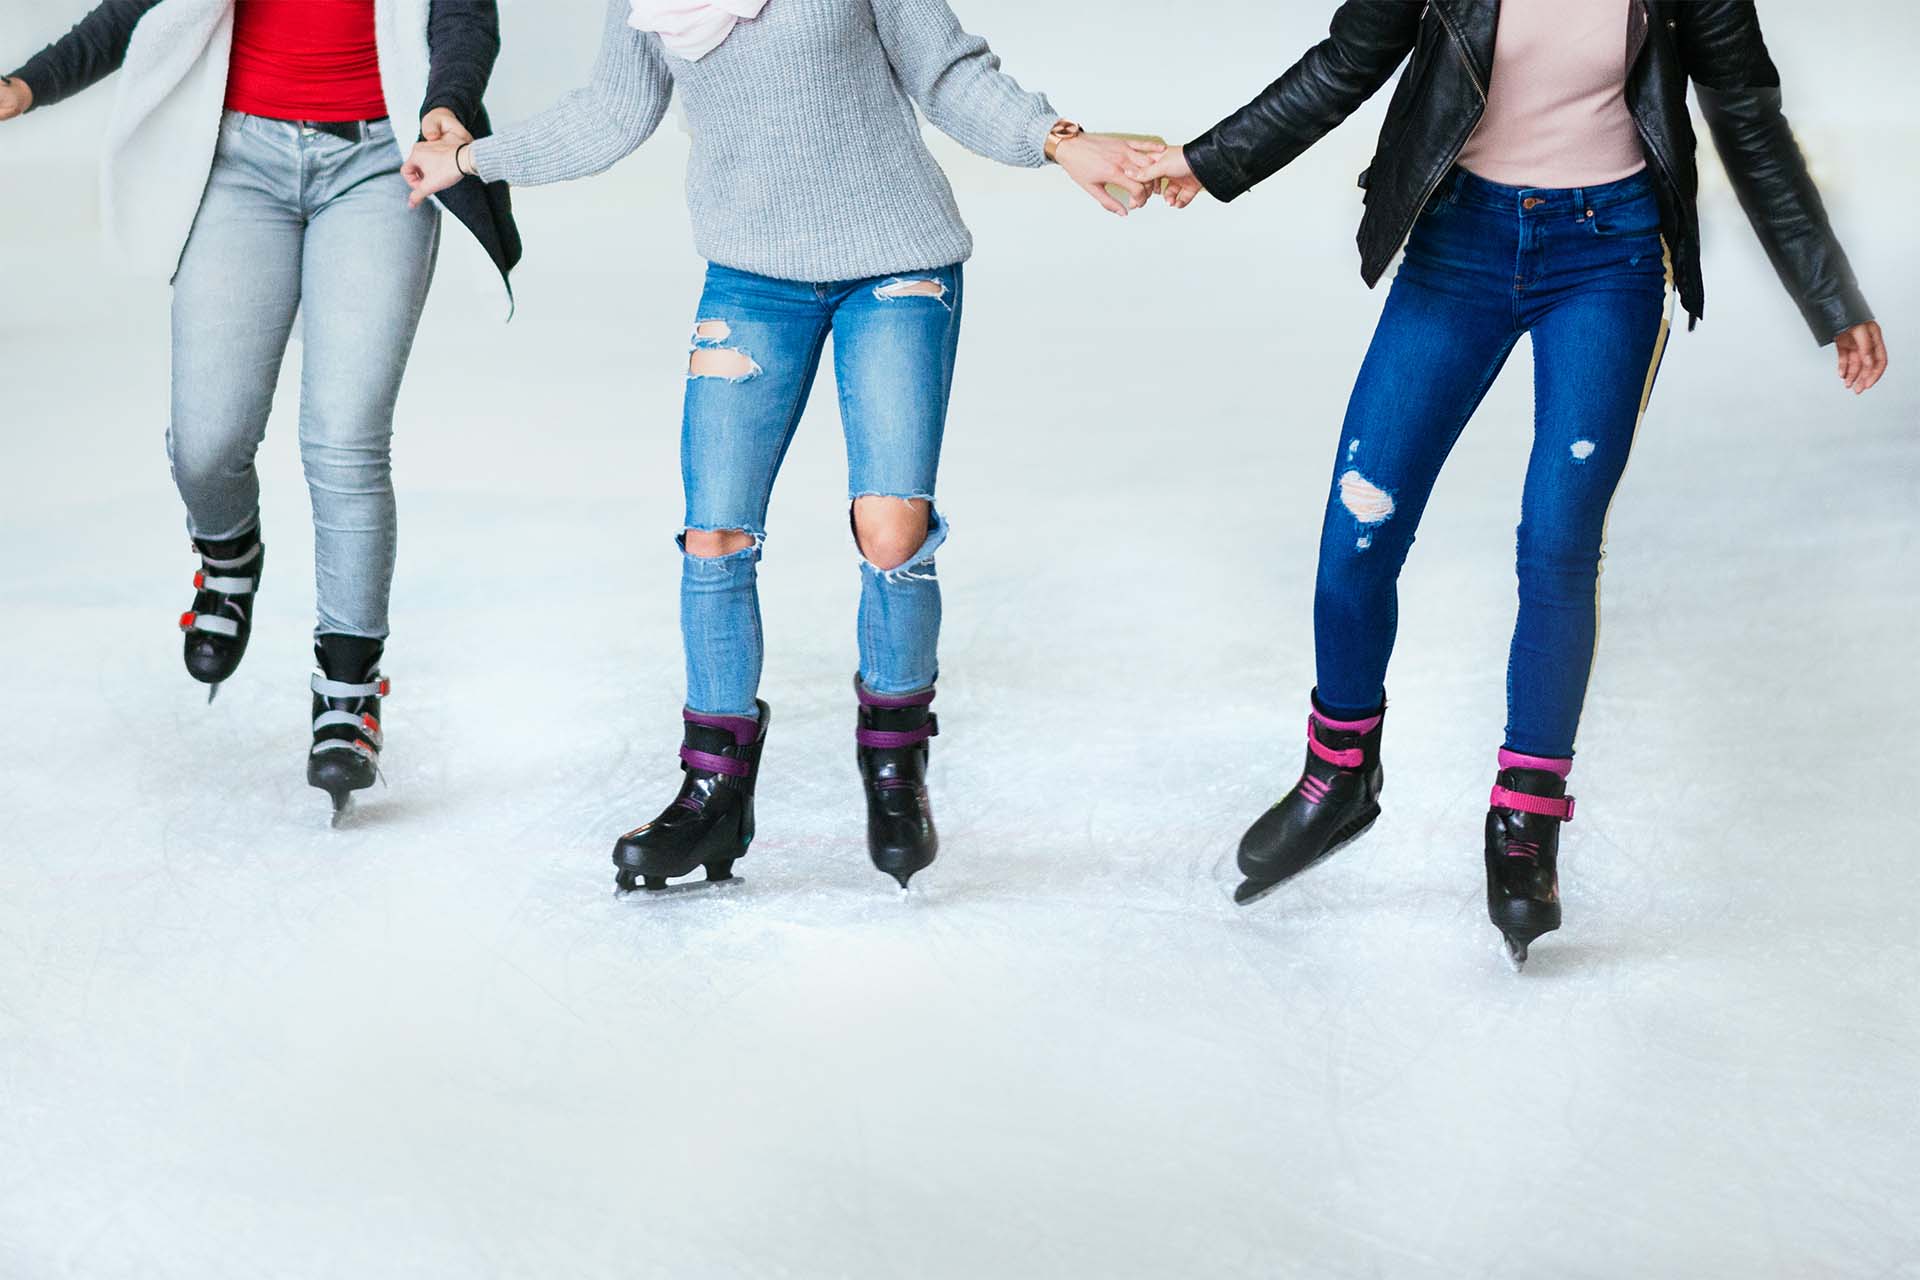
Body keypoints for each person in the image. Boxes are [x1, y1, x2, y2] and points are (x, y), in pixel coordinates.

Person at [1127, 0, 1890, 964]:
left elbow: (1746, 112)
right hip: (1459, 246)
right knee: (1358, 531)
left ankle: (1526, 822)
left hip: (1608, 256)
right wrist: (1207, 159)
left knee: (1558, 541)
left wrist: (1829, 294)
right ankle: (1339, 770)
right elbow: (1347, 60)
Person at [403, 0, 1160, 892]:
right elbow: (611, 115)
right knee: (713, 535)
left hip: (895, 260)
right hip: (752, 278)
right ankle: (713, 790)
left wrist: (1058, 139)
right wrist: (471, 159)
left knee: (891, 529)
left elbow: (948, 71)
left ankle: (894, 764)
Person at [0, 0, 520, 820]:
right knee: (207, 442)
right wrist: (23, 87)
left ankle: (347, 692)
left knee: (345, 441)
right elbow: (137, 11)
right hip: (239, 160)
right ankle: (229, 556)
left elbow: (462, 14)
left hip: (382, 164)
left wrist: (445, 108)